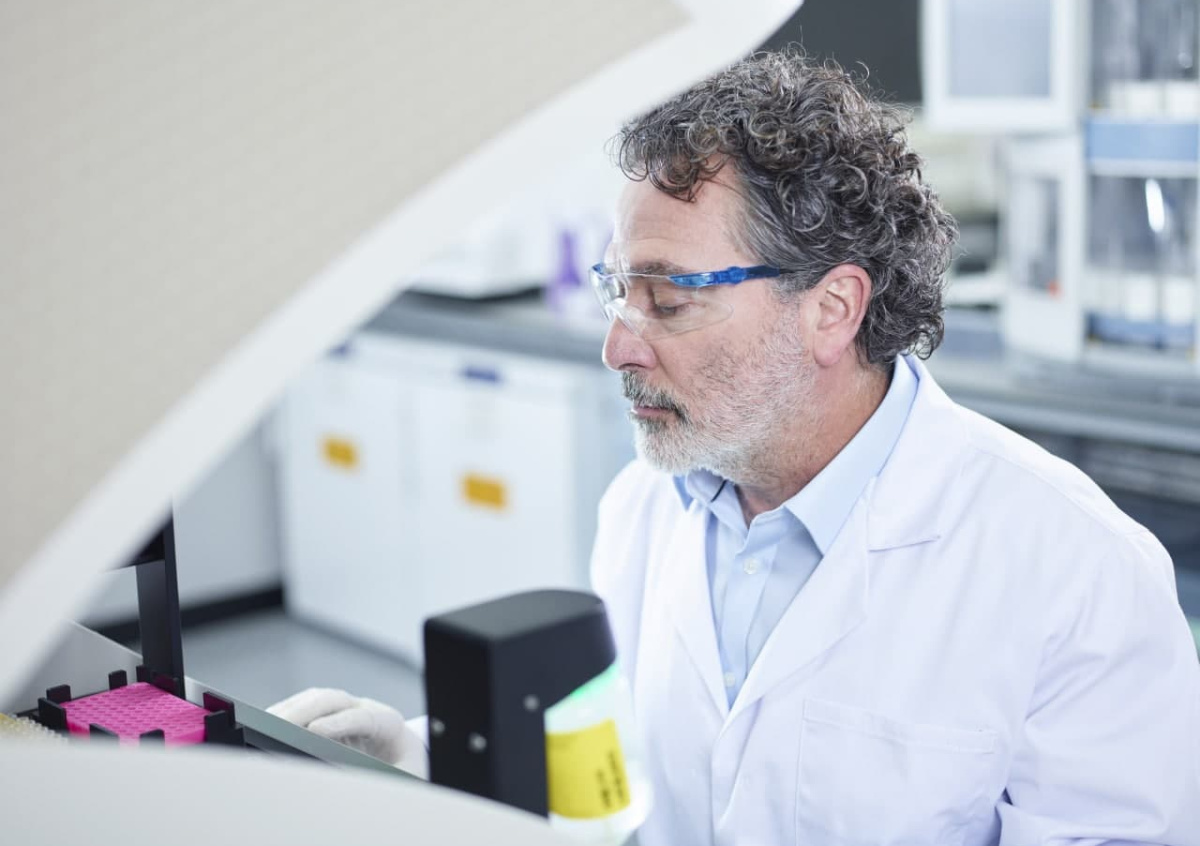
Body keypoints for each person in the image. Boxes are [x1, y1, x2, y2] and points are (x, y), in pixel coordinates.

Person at [270, 52, 1200, 845]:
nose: (618, 346)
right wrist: (430, 762)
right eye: (618, 291)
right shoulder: (647, 506)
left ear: (832, 308)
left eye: (669, 300)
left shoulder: (1077, 571)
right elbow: (622, 768)